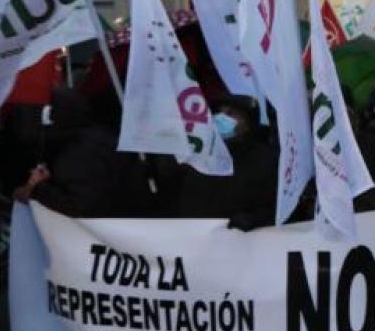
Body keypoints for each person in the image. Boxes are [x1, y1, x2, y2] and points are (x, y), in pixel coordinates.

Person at [15, 88, 158, 219]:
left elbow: (80, 207)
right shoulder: (99, 136)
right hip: (134, 220)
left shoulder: (75, 157)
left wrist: (38, 188)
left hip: (112, 232)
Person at [166, 95, 280, 229]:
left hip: (243, 242)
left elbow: (275, 205)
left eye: (230, 114)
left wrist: (254, 219)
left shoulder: (265, 159)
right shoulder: (200, 156)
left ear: (247, 123)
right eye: (218, 112)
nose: (221, 117)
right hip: (195, 240)